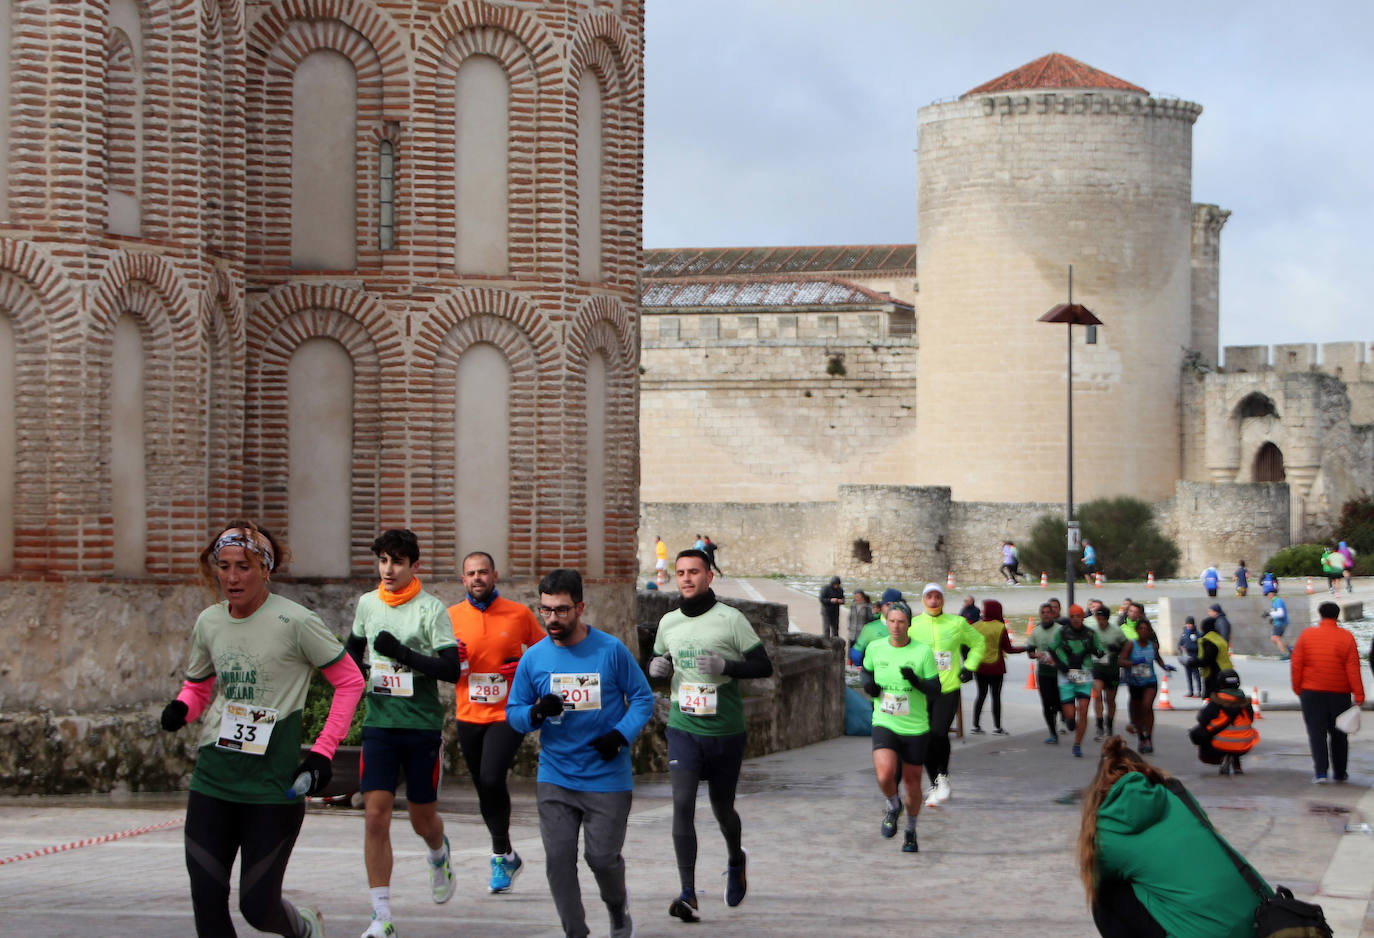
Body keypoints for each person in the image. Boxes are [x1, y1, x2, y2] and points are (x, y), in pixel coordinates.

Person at [159, 521, 364, 938]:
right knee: (207, 903)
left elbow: (350, 681)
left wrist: (324, 751)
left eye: (245, 567)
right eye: (225, 566)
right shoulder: (210, 622)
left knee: (257, 907)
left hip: (273, 785)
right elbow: (199, 685)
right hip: (214, 778)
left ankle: (304, 929)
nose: (232, 577)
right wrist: (182, 708)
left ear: (266, 569)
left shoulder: (296, 622)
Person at [507, 569, 655, 938]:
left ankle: (617, 908)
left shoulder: (610, 650)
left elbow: (642, 698)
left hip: (607, 776)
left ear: (580, 608)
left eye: (561, 611)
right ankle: (576, 932)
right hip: (556, 776)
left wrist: (620, 735)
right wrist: (536, 713)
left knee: (602, 859)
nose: (552, 620)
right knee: (558, 862)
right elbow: (514, 714)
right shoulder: (534, 659)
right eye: (545, 611)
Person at [346, 530, 461, 937]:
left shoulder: (431, 610)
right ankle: (381, 916)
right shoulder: (367, 604)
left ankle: (437, 852)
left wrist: (402, 654)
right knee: (375, 817)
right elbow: (351, 651)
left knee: (421, 819)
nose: (387, 569)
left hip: (421, 727)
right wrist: (357, 672)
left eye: (396, 561)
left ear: (414, 565)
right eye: (382, 561)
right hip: (379, 725)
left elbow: (451, 669)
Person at [649, 549, 773, 922]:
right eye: (681, 572)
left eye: (694, 572)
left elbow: (763, 665)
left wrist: (728, 667)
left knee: (722, 808)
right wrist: (655, 669)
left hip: (725, 730)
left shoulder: (731, 620)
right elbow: (658, 665)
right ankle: (688, 893)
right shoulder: (668, 622)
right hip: (683, 728)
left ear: (709, 577)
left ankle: (736, 859)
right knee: (682, 805)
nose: (686, 578)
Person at [1077, 736, 1271, 938]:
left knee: (1105, 896)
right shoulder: (1176, 794)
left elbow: (1099, 876)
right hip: (1259, 921)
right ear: (1145, 771)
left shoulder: (1107, 827)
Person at [448, 550, 548, 892]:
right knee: (483, 785)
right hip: (468, 712)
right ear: (463, 580)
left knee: (492, 776)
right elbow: (441, 663)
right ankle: (506, 854)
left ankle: (497, 855)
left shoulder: (519, 614)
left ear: (495, 576)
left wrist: (521, 665)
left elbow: (544, 655)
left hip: (508, 712)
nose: (477, 578)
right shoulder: (450, 617)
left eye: (483, 572)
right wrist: (449, 657)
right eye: (471, 573)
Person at [860, 600, 942, 853]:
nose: (896, 626)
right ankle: (894, 805)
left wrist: (915, 680)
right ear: (887, 622)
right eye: (892, 621)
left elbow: (935, 689)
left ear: (909, 624)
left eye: (901, 622)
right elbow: (866, 672)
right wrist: (869, 686)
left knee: (912, 783)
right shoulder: (875, 647)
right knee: (885, 775)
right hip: (885, 721)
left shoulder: (922, 652)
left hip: (915, 726)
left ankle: (911, 830)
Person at [907, 583, 984, 805]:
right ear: (923, 600)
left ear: (943, 600)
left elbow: (978, 642)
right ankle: (934, 782)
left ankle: (943, 775)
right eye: (929, 597)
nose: (933, 601)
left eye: (937, 597)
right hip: (921, 689)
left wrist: (970, 666)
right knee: (925, 737)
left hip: (947, 687)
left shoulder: (957, 623)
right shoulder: (913, 625)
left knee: (938, 733)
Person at [1291, 601, 1365, 783]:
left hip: (1311, 691)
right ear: (1337, 615)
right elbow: (1353, 668)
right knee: (1339, 733)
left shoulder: (1307, 635)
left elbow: (1297, 664)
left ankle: (1321, 773)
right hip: (1340, 693)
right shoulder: (1346, 637)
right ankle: (1340, 772)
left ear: (1320, 614)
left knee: (1317, 733)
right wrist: (1359, 693)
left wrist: (1298, 687)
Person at [1050, 604, 1103, 757]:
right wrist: (1060, 665)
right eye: (1072, 616)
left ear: (1083, 618)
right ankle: (1069, 720)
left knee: (1084, 711)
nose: (1075, 619)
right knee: (1070, 716)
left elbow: (1100, 651)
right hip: (1066, 675)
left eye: (1078, 616)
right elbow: (1052, 649)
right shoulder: (1062, 632)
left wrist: (1094, 650)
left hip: (1084, 674)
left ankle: (1077, 744)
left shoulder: (1091, 634)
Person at [1118, 618, 1174, 754]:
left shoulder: (1153, 646)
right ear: (1137, 631)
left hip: (1150, 681)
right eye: (1141, 629)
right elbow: (1120, 661)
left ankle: (1148, 737)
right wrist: (1133, 663)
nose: (1143, 631)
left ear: (1149, 631)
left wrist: (1165, 666)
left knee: (1147, 706)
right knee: (1138, 711)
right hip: (1135, 682)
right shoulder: (1131, 645)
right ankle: (1141, 738)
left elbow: (1158, 658)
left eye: (1146, 629)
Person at [1188, 670, 1258, 776]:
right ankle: (1236, 762)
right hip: (1245, 744)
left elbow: (1202, 719)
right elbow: (1251, 719)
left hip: (1220, 744)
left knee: (1199, 732)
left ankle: (1223, 757)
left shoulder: (1216, 701)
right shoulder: (1246, 703)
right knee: (1238, 731)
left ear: (1220, 683)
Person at [971, 599, 1022, 735]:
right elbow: (1009, 649)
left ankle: (975, 725)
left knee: (981, 695)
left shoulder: (976, 626)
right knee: (996, 696)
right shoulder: (1000, 627)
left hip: (980, 666)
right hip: (996, 666)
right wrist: (1024, 649)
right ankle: (997, 727)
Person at [1028, 602, 1064, 744]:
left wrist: (1059, 658)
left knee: (1058, 702)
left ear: (1053, 614)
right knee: (1046, 703)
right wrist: (1037, 655)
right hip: (1043, 672)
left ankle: (1065, 717)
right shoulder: (1036, 631)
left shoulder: (1060, 630)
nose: (1046, 614)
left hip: (1059, 672)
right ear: (1040, 615)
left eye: (1048, 612)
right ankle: (1053, 732)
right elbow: (1030, 651)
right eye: (1043, 612)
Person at [1091, 606, 1127, 738]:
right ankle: (1099, 724)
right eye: (1098, 619)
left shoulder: (1116, 631)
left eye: (1102, 619)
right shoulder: (1092, 631)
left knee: (1110, 700)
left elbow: (1127, 646)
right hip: (1097, 668)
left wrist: (1118, 650)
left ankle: (1109, 724)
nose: (1100, 622)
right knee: (1098, 695)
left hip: (1112, 668)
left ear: (1107, 618)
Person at [850, 588, 902, 666]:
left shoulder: (870, 627)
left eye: (895, 605)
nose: (892, 608)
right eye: (888, 605)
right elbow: (856, 654)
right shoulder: (870, 628)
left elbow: (856, 654)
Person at [1196, 617, 1233, 699]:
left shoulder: (1209, 640)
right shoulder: (1219, 638)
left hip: (1213, 674)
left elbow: (1207, 660)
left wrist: (1191, 663)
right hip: (1226, 672)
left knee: (1211, 699)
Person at [1263, 585, 1290, 659]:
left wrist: (1269, 614)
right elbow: (1276, 612)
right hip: (1279, 622)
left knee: (1276, 638)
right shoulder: (1275, 601)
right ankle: (1289, 650)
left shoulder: (1277, 601)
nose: (1266, 596)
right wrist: (1272, 618)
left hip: (1281, 623)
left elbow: (1281, 613)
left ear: (1271, 593)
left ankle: (1286, 654)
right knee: (1275, 638)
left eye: (1267, 594)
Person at [1176, 617, 1201, 698]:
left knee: (1196, 675)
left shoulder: (1197, 634)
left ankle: (1199, 691)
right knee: (1188, 675)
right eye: (1187, 624)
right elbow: (1179, 644)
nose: (1189, 626)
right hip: (1186, 658)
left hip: (1194, 657)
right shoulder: (1184, 634)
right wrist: (1181, 648)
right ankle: (1190, 691)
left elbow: (1199, 646)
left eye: (1190, 624)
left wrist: (1188, 648)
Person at [819, 576, 845, 640]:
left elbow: (843, 599)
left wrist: (841, 601)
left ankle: (835, 642)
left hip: (835, 611)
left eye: (837, 584)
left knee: (835, 628)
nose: (836, 586)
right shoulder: (825, 588)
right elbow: (821, 599)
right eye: (835, 584)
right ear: (832, 583)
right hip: (826, 611)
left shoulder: (840, 590)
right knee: (826, 628)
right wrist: (830, 600)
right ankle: (826, 642)